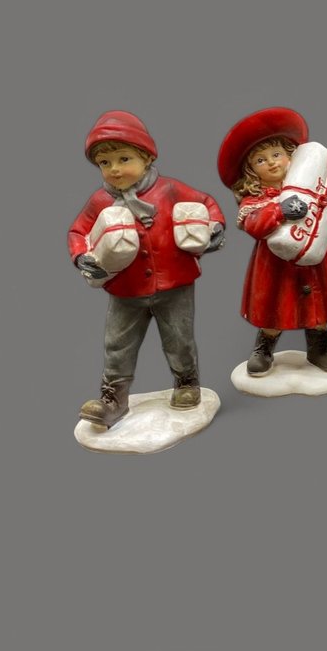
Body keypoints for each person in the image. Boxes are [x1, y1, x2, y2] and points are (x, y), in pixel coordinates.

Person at [68, 110, 226, 428]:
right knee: (118, 344)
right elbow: (78, 232)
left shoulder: (170, 189)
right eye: (105, 162)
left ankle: (186, 382)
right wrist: (81, 256)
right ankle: (113, 398)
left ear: (147, 157)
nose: (114, 169)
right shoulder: (100, 201)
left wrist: (214, 228)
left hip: (175, 284)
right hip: (126, 289)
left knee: (179, 338)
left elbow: (207, 203)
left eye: (124, 159)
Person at [217, 108, 327, 375]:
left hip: (314, 262)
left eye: (276, 154)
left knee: (316, 307)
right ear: (251, 172)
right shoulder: (256, 199)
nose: (272, 163)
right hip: (276, 265)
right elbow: (253, 224)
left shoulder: (310, 187)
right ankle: (264, 349)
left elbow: (322, 224)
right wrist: (279, 210)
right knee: (275, 308)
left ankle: (318, 349)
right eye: (261, 160)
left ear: (291, 156)